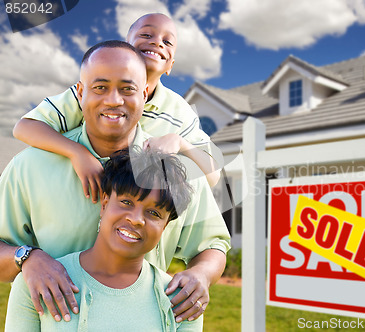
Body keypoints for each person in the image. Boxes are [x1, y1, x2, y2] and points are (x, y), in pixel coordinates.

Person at [0, 41, 230, 324]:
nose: (114, 100)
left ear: (144, 94)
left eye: (127, 89)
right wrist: (27, 258)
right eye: (100, 87)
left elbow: (213, 244)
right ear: (80, 92)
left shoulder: (176, 173)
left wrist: (201, 275)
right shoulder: (30, 166)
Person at [13, 13, 221, 204]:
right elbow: (25, 127)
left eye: (167, 42)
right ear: (125, 47)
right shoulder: (91, 94)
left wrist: (180, 143)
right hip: (77, 198)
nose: (157, 42)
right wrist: (77, 153)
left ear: (171, 66)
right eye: (146, 34)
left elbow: (212, 176)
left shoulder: (179, 111)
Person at [5, 148, 201, 332]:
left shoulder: (182, 300)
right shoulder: (38, 282)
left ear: (164, 227)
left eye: (153, 213)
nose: (136, 219)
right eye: (126, 202)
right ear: (105, 204)